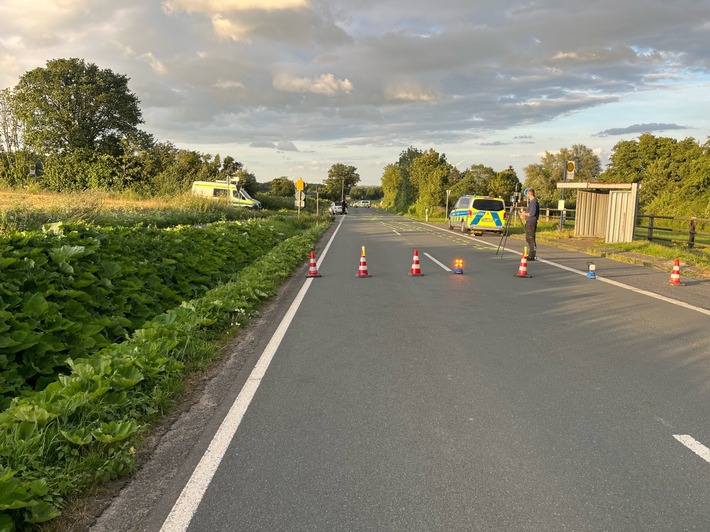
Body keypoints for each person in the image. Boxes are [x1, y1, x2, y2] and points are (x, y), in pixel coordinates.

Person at [519, 188, 539, 260]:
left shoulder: (533, 202)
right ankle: (531, 254)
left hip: (531, 222)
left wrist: (524, 214)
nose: (527, 195)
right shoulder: (532, 202)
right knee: (528, 238)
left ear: (530, 193)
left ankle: (532, 254)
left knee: (531, 238)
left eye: (527, 194)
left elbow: (532, 213)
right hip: (530, 222)